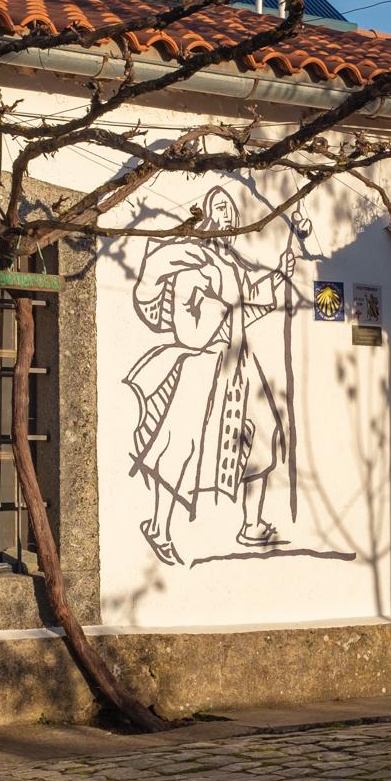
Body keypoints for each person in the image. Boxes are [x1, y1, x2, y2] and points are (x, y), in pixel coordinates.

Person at [124, 187, 297, 565]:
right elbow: (188, 324)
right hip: (202, 365)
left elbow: (247, 304)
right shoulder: (191, 263)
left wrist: (277, 276)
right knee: (178, 447)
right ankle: (158, 526)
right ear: (207, 217)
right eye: (220, 208)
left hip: (238, 365)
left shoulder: (231, 266)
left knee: (263, 435)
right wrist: (223, 313)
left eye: (231, 209)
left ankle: (251, 524)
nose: (228, 215)